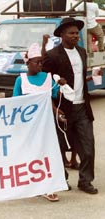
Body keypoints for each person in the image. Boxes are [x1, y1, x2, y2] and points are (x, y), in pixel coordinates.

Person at [42, 17, 99, 194]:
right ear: (62, 35)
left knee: (88, 148)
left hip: (82, 107)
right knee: (59, 147)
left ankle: (85, 181)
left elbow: (78, 77)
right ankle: (61, 179)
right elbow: (46, 81)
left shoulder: (82, 52)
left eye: (77, 33)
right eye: (72, 33)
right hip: (63, 109)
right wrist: (56, 88)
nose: (76, 36)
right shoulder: (52, 55)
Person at [13, 43, 64, 202]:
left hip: (46, 123)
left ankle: (48, 186)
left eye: (41, 62)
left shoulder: (47, 77)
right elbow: (15, 103)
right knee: (30, 153)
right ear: (28, 63)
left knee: (47, 153)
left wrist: (60, 86)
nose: (40, 65)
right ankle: (32, 184)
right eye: (36, 62)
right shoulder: (20, 80)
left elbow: (54, 97)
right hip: (28, 125)